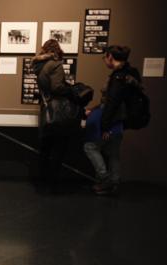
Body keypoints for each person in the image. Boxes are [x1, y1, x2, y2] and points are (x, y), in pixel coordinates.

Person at [83, 45, 141, 195]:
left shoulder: (117, 78)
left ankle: (105, 180)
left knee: (90, 146)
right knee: (113, 152)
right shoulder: (130, 74)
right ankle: (113, 183)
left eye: (105, 57)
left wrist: (105, 127)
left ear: (110, 57)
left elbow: (112, 104)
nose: (105, 61)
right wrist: (95, 109)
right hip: (120, 121)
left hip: (111, 121)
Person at [32, 39, 79, 192]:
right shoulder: (56, 64)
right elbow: (57, 87)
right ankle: (52, 183)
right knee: (58, 148)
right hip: (58, 110)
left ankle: (41, 181)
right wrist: (72, 90)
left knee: (45, 148)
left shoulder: (39, 65)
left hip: (46, 109)